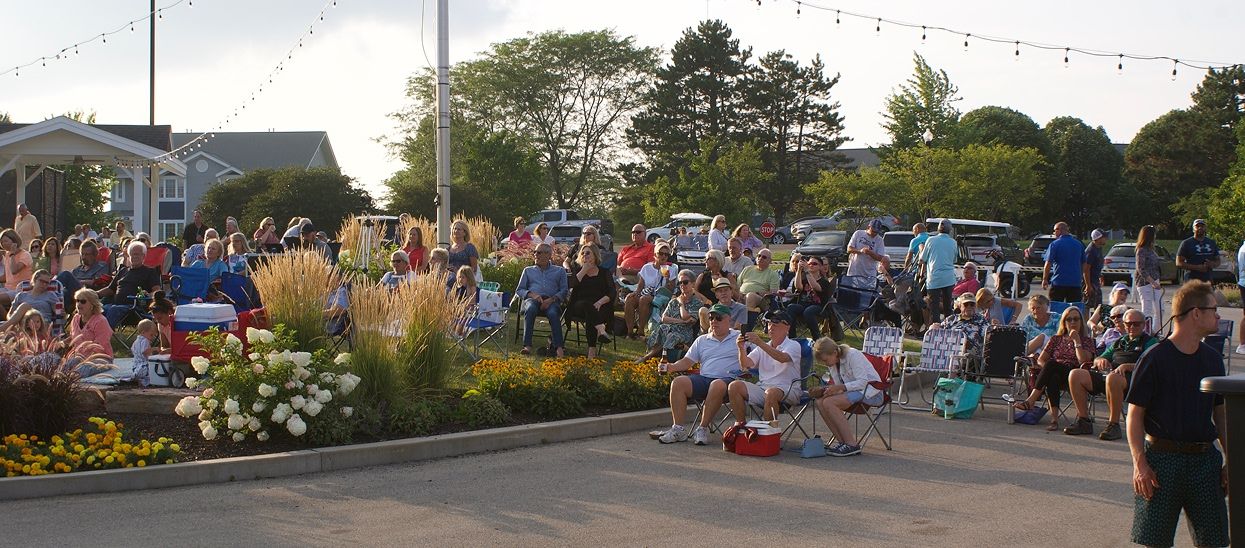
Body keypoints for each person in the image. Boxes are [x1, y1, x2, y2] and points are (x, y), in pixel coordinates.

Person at [1125, 280, 1228, 547]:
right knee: (1155, 541)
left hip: (1204, 461)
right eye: (1214, 310)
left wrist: (1231, 460)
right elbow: (1134, 415)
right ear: (1196, 313)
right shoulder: (1154, 358)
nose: (1218, 316)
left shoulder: (1213, 359)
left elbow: (1221, 414)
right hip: (1162, 461)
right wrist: (1140, 465)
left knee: (1214, 541)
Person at [655, 303, 742, 444]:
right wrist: (671, 367)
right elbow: (687, 361)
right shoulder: (702, 340)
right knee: (678, 382)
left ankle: (702, 428)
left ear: (729, 320)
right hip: (704, 379)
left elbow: (757, 355)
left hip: (728, 382)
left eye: (718, 318)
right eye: (711, 318)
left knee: (717, 384)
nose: (713, 321)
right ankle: (678, 430)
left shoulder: (739, 337)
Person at [1065, 309, 1158, 440]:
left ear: (1143, 325)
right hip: (1110, 375)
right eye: (1128, 324)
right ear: (1124, 325)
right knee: (1076, 374)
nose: (1132, 327)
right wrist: (1100, 360)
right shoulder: (1120, 341)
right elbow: (1099, 358)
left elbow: (1152, 365)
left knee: (1113, 378)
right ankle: (1084, 420)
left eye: (1136, 324)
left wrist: (1127, 366)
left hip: (1134, 380)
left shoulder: (1150, 342)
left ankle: (1114, 425)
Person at [1012, 305, 1094, 431]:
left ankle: (1031, 401)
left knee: (1051, 365)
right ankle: (1054, 420)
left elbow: (1083, 361)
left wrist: (1077, 342)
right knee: (1052, 376)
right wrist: (1047, 370)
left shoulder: (1087, 341)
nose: (1072, 322)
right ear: (1064, 322)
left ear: (1081, 322)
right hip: (1055, 372)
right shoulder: (1056, 339)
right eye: (1069, 319)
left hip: (1074, 376)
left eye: (1076, 319)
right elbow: (1041, 360)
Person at [808, 337, 882, 457]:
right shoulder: (833, 362)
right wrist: (827, 391)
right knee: (820, 401)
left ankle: (851, 444)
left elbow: (862, 382)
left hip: (871, 391)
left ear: (834, 352)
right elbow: (839, 386)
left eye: (826, 360)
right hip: (854, 391)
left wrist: (839, 388)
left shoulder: (853, 355)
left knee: (829, 403)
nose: (826, 364)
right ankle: (842, 442)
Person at [726, 310, 801, 426]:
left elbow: (782, 358)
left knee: (771, 393)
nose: (771, 327)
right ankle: (741, 425)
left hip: (789, 390)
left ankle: (768, 432)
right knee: (734, 386)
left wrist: (760, 342)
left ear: (787, 327)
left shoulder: (793, 345)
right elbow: (745, 365)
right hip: (764, 388)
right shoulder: (763, 347)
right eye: (769, 323)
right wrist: (741, 348)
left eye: (775, 324)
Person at [515, 243, 568, 356]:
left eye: (538, 252)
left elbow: (564, 290)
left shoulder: (560, 271)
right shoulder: (528, 270)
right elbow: (519, 290)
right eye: (534, 252)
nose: (535, 255)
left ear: (548, 255)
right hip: (533, 299)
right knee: (530, 309)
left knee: (553, 313)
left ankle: (559, 347)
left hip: (551, 301)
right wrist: (532, 295)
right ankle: (527, 345)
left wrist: (551, 300)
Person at [642, 269, 704, 362]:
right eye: (680, 283)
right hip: (669, 328)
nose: (682, 285)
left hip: (684, 332)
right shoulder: (673, 301)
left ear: (693, 284)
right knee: (662, 329)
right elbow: (664, 318)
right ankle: (653, 355)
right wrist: (681, 321)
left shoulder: (697, 302)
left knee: (671, 335)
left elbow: (688, 319)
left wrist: (681, 303)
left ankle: (648, 357)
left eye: (685, 282)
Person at [567, 245, 616, 358]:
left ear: (595, 255)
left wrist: (599, 302)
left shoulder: (604, 272)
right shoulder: (578, 271)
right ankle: (601, 329)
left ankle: (591, 350)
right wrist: (584, 270)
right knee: (588, 306)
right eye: (583, 253)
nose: (585, 255)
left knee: (592, 314)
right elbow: (572, 285)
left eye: (588, 253)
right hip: (579, 305)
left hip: (601, 304)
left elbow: (612, 292)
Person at [98, 241, 162, 327]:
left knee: (114, 309)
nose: (135, 257)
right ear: (128, 256)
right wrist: (94, 294)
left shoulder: (150, 272)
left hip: (135, 308)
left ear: (143, 256)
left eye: (137, 254)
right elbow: (110, 289)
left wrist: (147, 295)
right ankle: (90, 332)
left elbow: (157, 291)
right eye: (132, 254)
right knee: (98, 308)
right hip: (117, 305)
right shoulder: (123, 271)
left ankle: (106, 334)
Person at [623, 243, 676, 340]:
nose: (664, 256)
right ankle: (629, 332)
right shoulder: (647, 268)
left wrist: (667, 279)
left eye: (666, 254)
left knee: (644, 299)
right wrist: (636, 293)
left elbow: (671, 290)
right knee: (629, 299)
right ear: (655, 255)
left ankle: (640, 332)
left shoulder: (670, 270)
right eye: (661, 253)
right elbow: (640, 285)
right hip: (646, 292)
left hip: (660, 296)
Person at [785, 255, 837, 340]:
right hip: (803, 305)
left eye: (814, 264)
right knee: (791, 307)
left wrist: (807, 271)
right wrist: (799, 270)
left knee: (809, 311)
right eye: (809, 264)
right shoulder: (804, 278)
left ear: (820, 266)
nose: (811, 265)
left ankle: (817, 339)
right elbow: (798, 287)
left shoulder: (824, 281)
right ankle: (792, 338)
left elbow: (816, 287)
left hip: (818, 307)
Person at [920, 219, 958, 327]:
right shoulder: (953, 242)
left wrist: (921, 249)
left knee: (934, 307)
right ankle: (949, 328)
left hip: (934, 278)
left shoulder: (930, 240)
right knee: (947, 307)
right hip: (949, 278)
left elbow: (923, 258)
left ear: (938, 228)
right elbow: (954, 259)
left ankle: (935, 330)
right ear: (950, 230)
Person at [1042, 221, 1084, 303]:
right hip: (1075, 283)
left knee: (1056, 307)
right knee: (1074, 308)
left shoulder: (1054, 244)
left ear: (1059, 230)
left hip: (1058, 282)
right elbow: (1084, 263)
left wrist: (1045, 279)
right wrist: (1080, 275)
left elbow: (1048, 263)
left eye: (1054, 231)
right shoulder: (1079, 244)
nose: (1054, 233)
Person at [1134, 224, 1165, 330]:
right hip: (1145, 283)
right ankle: (1146, 331)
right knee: (1147, 309)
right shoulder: (1141, 250)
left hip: (1155, 281)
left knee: (1160, 309)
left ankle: (1155, 331)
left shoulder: (1151, 249)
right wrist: (1152, 282)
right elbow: (1141, 268)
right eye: (1154, 235)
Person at [68, 288, 113, 359]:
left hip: (99, 358)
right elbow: (73, 338)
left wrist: (84, 359)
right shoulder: (76, 318)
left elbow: (100, 346)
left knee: (82, 367)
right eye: (77, 301)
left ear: (92, 304)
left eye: (83, 301)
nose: (78, 304)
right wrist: (61, 344)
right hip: (78, 357)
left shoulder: (100, 321)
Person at [738, 249, 782, 318]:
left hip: (761, 300)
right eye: (759, 256)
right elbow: (737, 285)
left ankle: (747, 321)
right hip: (740, 296)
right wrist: (738, 293)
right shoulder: (747, 269)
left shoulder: (773, 274)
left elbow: (773, 293)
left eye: (764, 257)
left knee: (751, 296)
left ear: (770, 261)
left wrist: (757, 293)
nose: (760, 258)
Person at [1176, 218, 1221, 284]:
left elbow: (1218, 260)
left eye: (1202, 226)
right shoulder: (1186, 243)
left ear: (1205, 228)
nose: (1200, 228)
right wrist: (1197, 267)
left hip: (1207, 280)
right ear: (1193, 229)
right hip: (1191, 280)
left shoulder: (1211, 242)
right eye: (1197, 226)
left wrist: (1212, 264)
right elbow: (1179, 263)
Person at [0, 228, 33, 314]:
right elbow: (6, 277)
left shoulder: (25, 255)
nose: (3, 244)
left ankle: (8, 320)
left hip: (21, 290)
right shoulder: (8, 254)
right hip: (7, 288)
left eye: (5, 241)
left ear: (14, 241)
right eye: (1, 242)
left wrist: (12, 254)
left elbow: (14, 270)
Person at [130, 319, 160, 387]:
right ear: (143, 332)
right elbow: (144, 351)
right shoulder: (145, 340)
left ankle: (139, 379)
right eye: (151, 335)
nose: (152, 337)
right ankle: (146, 381)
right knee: (153, 369)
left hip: (135, 365)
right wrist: (154, 349)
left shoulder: (136, 341)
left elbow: (132, 349)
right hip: (143, 365)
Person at [1083, 228, 1107, 307]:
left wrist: (1100, 275)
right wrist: (1088, 286)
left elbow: (1096, 265)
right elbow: (1086, 269)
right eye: (1104, 237)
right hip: (1090, 282)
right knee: (1087, 305)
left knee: (1098, 306)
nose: (1105, 239)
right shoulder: (1091, 251)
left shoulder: (1098, 248)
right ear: (1098, 238)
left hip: (1095, 281)